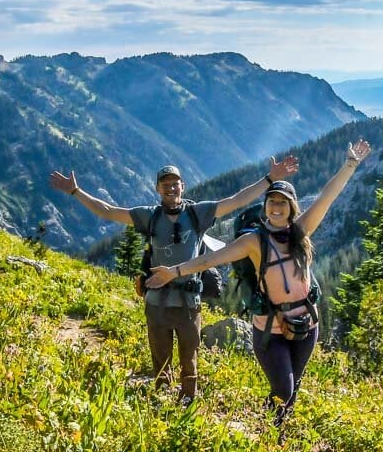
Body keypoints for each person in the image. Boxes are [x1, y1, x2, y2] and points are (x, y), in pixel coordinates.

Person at [146, 139, 371, 428]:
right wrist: (174, 271)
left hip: (307, 325)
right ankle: (269, 432)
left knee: (292, 387)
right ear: (265, 207)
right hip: (270, 329)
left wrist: (350, 164)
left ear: (291, 207)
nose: (277, 207)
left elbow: (327, 197)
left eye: (282, 203)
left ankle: (275, 434)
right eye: (272, 202)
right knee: (284, 390)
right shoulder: (254, 241)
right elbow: (208, 261)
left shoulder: (300, 232)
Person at [49, 156, 299, 402]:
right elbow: (108, 212)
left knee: (189, 356)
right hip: (157, 299)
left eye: (174, 183)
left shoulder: (197, 214)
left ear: (182, 185)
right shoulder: (149, 216)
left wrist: (269, 179)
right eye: (165, 184)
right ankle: (160, 396)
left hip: (189, 301)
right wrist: (76, 191)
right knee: (160, 355)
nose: (170, 187)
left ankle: (188, 397)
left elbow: (235, 201)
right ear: (157, 189)